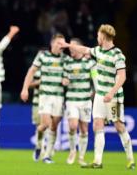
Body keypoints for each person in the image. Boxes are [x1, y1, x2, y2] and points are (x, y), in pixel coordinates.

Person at [61, 24, 135, 169]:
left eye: (98, 35)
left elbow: (122, 77)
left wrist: (111, 92)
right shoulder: (98, 51)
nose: (97, 38)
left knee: (119, 126)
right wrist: (67, 44)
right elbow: (84, 49)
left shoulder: (117, 54)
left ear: (103, 36)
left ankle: (130, 159)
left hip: (114, 97)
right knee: (97, 125)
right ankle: (97, 161)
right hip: (100, 96)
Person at [20, 34, 67, 163]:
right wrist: (24, 89)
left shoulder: (65, 59)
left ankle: (47, 155)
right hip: (45, 96)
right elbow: (31, 71)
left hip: (59, 97)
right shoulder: (43, 56)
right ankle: (39, 145)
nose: (61, 46)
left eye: (63, 44)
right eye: (58, 43)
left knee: (54, 126)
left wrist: (66, 79)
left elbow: (69, 75)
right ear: (52, 43)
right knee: (45, 124)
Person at [62, 38, 96, 166]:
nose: (70, 48)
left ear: (79, 48)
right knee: (72, 126)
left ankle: (81, 156)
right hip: (72, 99)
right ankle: (72, 151)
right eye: (69, 47)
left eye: (73, 46)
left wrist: (95, 92)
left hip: (85, 101)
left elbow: (96, 79)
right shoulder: (68, 62)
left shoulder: (90, 63)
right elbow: (64, 78)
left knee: (84, 129)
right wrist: (65, 81)